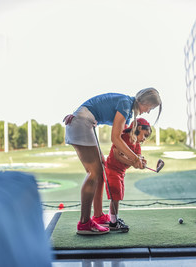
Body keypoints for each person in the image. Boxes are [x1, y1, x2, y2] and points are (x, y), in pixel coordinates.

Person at [63, 88, 162, 235]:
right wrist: (135, 158)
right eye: (150, 108)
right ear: (144, 102)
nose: (148, 111)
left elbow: (123, 142)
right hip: (83, 123)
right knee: (94, 173)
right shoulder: (126, 105)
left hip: (85, 123)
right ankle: (84, 223)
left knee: (100, 172)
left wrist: (136, 158)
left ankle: (97, 216)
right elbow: (115, 138)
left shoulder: (128, 110)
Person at [104, 118, 152, 232]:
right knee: (116, 195)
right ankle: (113, 223)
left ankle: (113, 219)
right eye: (144, 135)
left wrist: (142, 161)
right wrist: (133, 163)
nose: (144, 139)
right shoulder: (124, 138)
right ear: (139, 128)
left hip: (121, 172)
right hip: (112, 170)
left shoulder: (137, 144)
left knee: (118, 195)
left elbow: (139, 156)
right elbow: (118, 155)